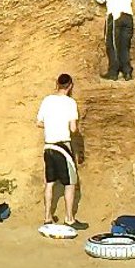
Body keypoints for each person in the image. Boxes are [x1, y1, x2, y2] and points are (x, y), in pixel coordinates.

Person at [36, 74, 85, 228]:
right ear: (70, 86)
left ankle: (47, 217)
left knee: (49, 182)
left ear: (57, 84)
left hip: (48, 147)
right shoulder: (70, 103)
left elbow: (38, 123)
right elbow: (73, 128)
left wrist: (51, 126)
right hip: (63, 147)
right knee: (70, 183)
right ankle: (69, 218)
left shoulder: (47, 100)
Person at [95, 0, 134, 80]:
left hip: (115, 16)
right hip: (128, 16)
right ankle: (127, 72)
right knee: (125, 45)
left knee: (112, 45)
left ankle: (113, 72)